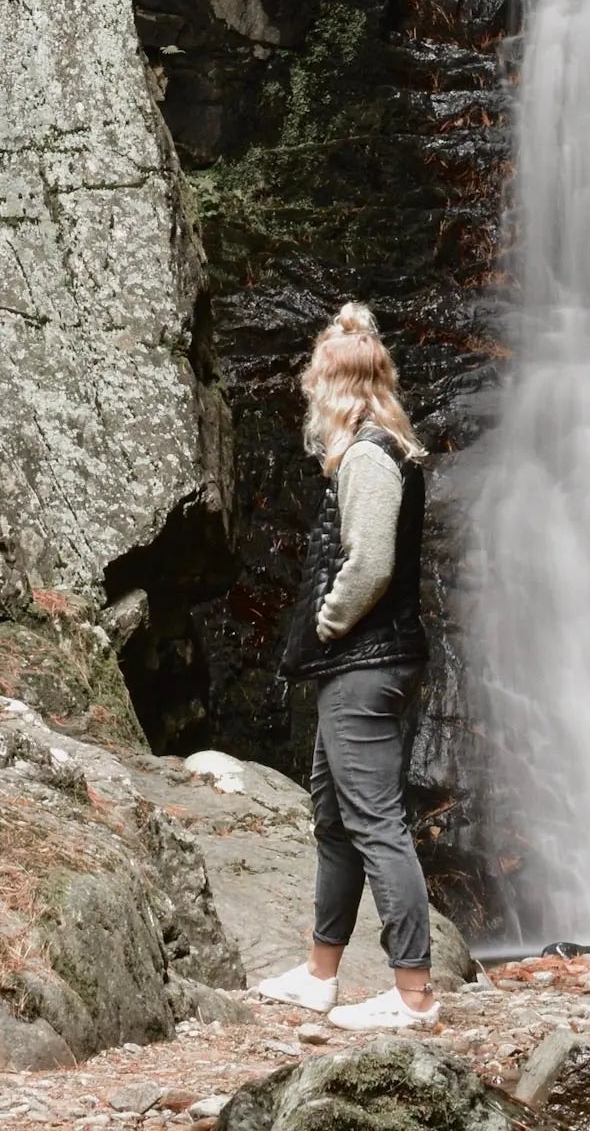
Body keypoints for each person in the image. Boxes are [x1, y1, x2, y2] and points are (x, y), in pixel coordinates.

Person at [256, 302, 439, 1031]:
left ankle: (414, 994)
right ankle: (319, 976)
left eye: (313, 383)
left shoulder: (366, 455)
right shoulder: (383, 448)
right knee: (335, 819)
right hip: (364, 666)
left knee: (375, 822)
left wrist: (328, 623)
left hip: (364, 664)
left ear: (331, 387)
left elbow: (369, 565)